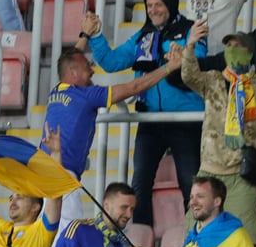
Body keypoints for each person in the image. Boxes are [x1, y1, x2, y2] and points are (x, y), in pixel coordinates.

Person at [79, 0, 205, 230]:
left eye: (158, 5)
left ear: (171, 4)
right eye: (149, 5)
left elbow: (201, 62)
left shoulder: (191, 30)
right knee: (140, 184)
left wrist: (186, 54)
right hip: (149, 121)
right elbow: (112, 62)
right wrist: (96, 36)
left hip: (185, 121)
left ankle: (196, 236)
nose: (153, 10)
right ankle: (140, 240)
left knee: (190, 185)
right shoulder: (143, 35)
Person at [181, 26, 256, 243]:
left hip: (243, 176)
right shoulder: (212, 79)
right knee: (196, 240)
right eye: (228, 46)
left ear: (250, 52)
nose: (231, 50)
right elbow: (188, 75)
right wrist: (190, 45)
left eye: (237, 46)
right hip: (209, 172)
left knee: (243, 241)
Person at [41, 49, 172, 225]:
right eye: (87, 66)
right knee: (69, 236)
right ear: (73, 72)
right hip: (63, 178)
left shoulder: (55, 91)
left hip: (41, 175)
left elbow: (67, 60)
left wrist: (85, 37)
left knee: (46, 232)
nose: (92, 71)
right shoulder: (86, 95)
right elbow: (134, 88)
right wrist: (170, 67)